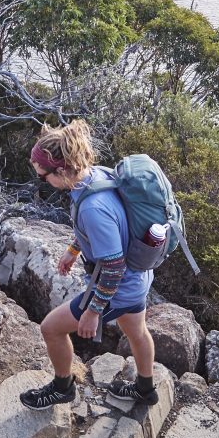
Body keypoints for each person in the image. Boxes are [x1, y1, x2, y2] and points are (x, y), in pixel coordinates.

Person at [19, 119, 159, 411]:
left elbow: (113, 265)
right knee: (137, 332)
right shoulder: (95, 177)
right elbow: (105, 233)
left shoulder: (93, 208)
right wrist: (73, 249)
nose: (43, 182)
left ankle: (62, 387)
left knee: (51, 329)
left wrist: (93, 311)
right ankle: (146, 389)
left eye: (43, 177)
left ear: (61, 170)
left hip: (120, 285)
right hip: (140, 276)